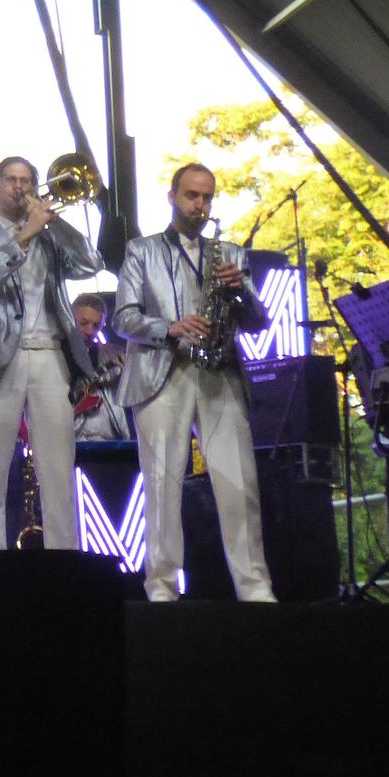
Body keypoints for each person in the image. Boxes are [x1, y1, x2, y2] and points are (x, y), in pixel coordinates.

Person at [114, 163, 277, 602]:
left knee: (239, 485)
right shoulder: (141, 251)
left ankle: (255, 588)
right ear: (172, 196)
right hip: (162, 373)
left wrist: (240, 288)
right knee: (162, 485)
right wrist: (171, 326)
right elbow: (123, 318)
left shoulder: (231, 254)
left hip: (218, 372)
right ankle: (162, 588)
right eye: (191, 195)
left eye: (206, 197)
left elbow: (260, 322)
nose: (199, 205)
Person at [0, 155, 101, 551]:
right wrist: (21, 237)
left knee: (58, 468)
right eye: (10, 180)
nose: (19, 187)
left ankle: (64, 559)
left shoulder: (51, 236)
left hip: (50, 354)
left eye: (26, 180)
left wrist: (54, 223)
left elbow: (92, 262)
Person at [70, 292, 130, 442]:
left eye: (97, 325)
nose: (90, 330)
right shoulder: (55, 355)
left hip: (108, 437)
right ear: (70, 319)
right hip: (65, 438)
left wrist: (131, 370)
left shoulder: (115, 353)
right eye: (83, 323)